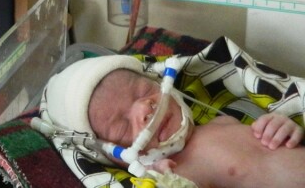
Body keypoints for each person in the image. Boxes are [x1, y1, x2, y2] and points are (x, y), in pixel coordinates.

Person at [41, 55, 305, 188]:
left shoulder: (222, 122)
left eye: (143, 92)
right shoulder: (173, 172)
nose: (145, 108)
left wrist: (284, 127)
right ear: (112, 156)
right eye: (122, 125)